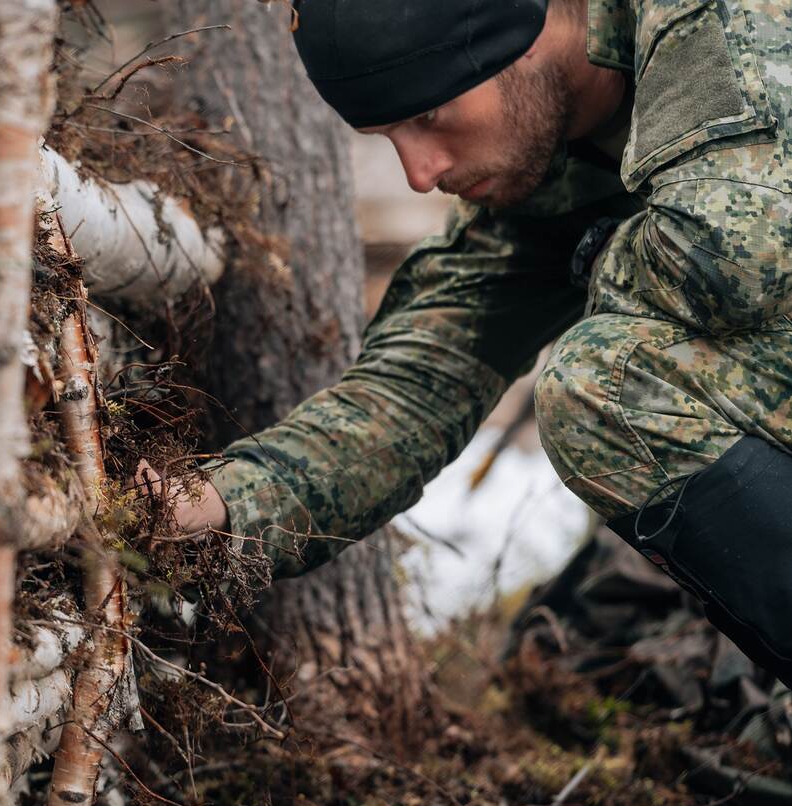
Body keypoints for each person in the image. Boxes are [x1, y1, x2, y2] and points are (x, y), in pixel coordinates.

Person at [156, 0, 792, 686]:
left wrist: (591, 252)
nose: (419, 173)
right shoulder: (547, 169)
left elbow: (732, 257)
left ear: (522, 33)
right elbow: (417, 386)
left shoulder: (713, 19)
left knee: (609, 386)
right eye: (387, 138)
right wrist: (229, 502)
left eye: (427, 116)